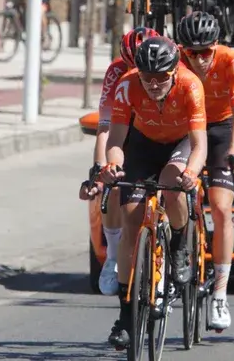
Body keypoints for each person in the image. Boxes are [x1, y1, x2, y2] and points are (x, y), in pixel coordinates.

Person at [96, 35, 207, 350]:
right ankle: (126, 314)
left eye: (161, 78)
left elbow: (200, 144)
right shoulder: (127, 86)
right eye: (148, 78)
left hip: (180, 143)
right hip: (144, 146)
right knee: (131, 220)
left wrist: (191, 174)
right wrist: (113, 166)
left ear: (174, 71)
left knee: (173, 187)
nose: (154, 84)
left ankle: (180, 243)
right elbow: (116, 140)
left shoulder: (190, 85)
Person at [174, 12, 234, 331]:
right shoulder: (174, 60)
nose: (201, 60)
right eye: (193, 53)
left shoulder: (231, 60)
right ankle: (170, 253)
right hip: (183, 128)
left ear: (216, 46)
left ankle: (220, 293)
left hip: (219, 129)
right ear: (182, 49)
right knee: (169, 189)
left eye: (206, 52)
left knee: (220, 208)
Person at [79, 27, 159, 296]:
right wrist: (100, 170)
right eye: (131, 66)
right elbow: (105, 127)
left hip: (161, 130)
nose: (139, 75)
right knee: (111, 188)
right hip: (126, 131)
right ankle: (113, 257)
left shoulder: (173, 65)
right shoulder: (115, 73)